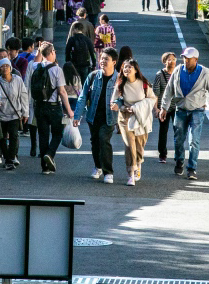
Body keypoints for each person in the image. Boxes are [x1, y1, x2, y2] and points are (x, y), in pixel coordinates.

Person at [162, 46, 209, 181]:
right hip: (181, 109)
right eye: (184, 58)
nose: (186, 61)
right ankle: (179, 161)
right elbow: (169, 90)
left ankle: (192, 168)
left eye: (189, 59)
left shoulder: (204, 73)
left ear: (196, 59)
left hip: (197, 110)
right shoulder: (178, 71)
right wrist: (164, 108)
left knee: (193, 141)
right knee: (178, 140)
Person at [74, 49, 120, 184]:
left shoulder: (119, 79)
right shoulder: (93, 76)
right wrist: (77, 115)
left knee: (103, 140)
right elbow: (83, 96)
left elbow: (124, 97)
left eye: (106, 59)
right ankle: (98, 166)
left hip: (110, 117)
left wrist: (119, 104)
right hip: (93, 116)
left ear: (114, 62)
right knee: (95, 142)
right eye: (101, 58)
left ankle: (108, 172)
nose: (102, 61)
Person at [29, 43, 74, 174]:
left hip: (39, 106)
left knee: (43, 135)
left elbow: (35, 61)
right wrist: (69, 110)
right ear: (52, 52)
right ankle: (50, 154)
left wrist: (39, 50)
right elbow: (62, 91)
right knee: (57, 133)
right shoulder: (57, 69)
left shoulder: (36, 67)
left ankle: (45, 167)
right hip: (54, 107)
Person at [112, 58, 156, 186]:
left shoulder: (144, 84)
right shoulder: (120, 84)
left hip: (141, 118)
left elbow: (152, 98)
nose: (127, 69)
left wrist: (137, 107)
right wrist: (121, 107)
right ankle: (131, 173)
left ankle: (138, 164)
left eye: (130, 67)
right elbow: (113, 101)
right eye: (125, 67)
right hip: (125, 117)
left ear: (136, 70)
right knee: (129, 144)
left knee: (139, 146)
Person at [0, 57, 29, 170]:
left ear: (10, 68)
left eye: (7, 66)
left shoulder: (18, 80)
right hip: (1, 114)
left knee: (13, 135)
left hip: (15, 113)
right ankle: (8, 158)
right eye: (2, 66)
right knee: (2, 138)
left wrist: (25, 112)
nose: (5, 68)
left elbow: (23, 96)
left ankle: (10, 159)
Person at [152, 52, 177, 163]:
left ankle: (179, 154)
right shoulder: (160, 75)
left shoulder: (179, 74)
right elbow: (155, 93)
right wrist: (156, 108)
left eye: (173, 59)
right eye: (169, 59)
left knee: (179, 131)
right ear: (164, 62)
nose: (171, 61)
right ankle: (162, 154)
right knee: (163, 131)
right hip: (164, 107)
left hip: (177, 107)